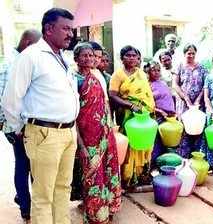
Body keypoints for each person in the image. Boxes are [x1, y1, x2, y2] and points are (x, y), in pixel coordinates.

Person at [1, 8, 79, 224]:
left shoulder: (63, 58)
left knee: (63, 189)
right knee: (43, 196)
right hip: (44, 133)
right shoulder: (31, 56)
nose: (70, 34)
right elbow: (10, 99)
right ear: (48, 29)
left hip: (68, 132)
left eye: (71, 29)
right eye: (65, 28)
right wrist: (20, 128)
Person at [73, 43, 121, 224]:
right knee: (92, 177)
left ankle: (108, 209)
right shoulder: (74, 79)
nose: (88, 59)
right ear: (76, 58)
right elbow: (74, 114)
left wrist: (110, 128)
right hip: (87, 138)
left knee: (108, 173)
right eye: (84, 55)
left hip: (104, 135)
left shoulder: (97, 76)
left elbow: (105, 105)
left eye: (91, 55)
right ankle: (95, 216)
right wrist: (81, 144)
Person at [0, 29, 41, 224]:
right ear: (26, 42)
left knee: (29, 165)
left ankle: (26, 201)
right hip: (18, 126)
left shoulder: (20, 60)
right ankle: (26, 206)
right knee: (25, 165)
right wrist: (10, 126)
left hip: (26, 124)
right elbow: (4, 99)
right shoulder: (12, 64)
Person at [109, 45, 155, 188]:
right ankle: (128, 178)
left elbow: (147, 94)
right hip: (127, 114)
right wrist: (130, 105)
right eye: (128, 55)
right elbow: (112, 95)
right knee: (129, 144)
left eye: (134, 56)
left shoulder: (141, 74)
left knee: (144, 144)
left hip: (144, 113)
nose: (131, 58)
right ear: (122, 58)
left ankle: (141, 174)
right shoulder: (118, 75)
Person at [173, 43, 208, 158]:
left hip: (198, 105)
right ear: (184, 54)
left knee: (197, 129)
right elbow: (175, 84)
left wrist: (198, 99)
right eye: (189, 53)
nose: (191, 55)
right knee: (184, 130)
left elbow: (205, 85)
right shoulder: (179, 66)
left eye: (193, 53)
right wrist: (186, 98)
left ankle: (197, 158)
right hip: (183, 104)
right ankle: (183, 158)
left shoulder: (202, 67)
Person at [144, 60, 176, 168]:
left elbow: (169, 98)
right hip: (156, 117)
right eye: (153, 70)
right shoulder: (147, 85)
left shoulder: (162, 83)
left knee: (166, 144)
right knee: (155, 144)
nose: (156, 72)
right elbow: (145, 103)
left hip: (168, 118)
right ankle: (153, 167)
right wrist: (159, 111)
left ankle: (165, 168)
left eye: (158, 70)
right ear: (148, 71)